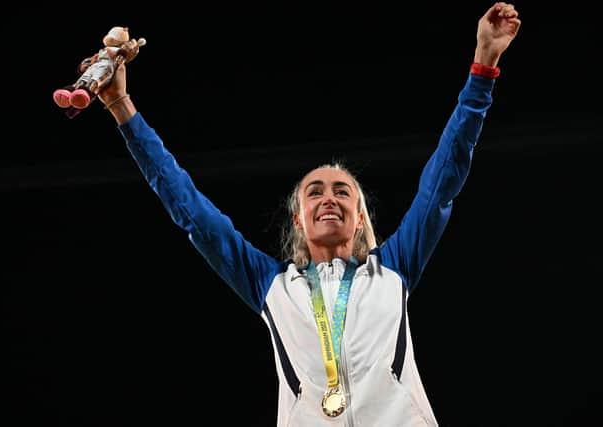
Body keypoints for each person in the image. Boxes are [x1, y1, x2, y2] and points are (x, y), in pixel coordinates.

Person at [95, 2, 520, 425]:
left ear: (359, 219)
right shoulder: (270, 285)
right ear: (299, 219)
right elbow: (188, 207)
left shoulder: (395, 268)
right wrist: (121, 107)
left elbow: (442, 180)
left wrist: (483, 67)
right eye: (314, 192)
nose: (328, 199)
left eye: (342, 192)